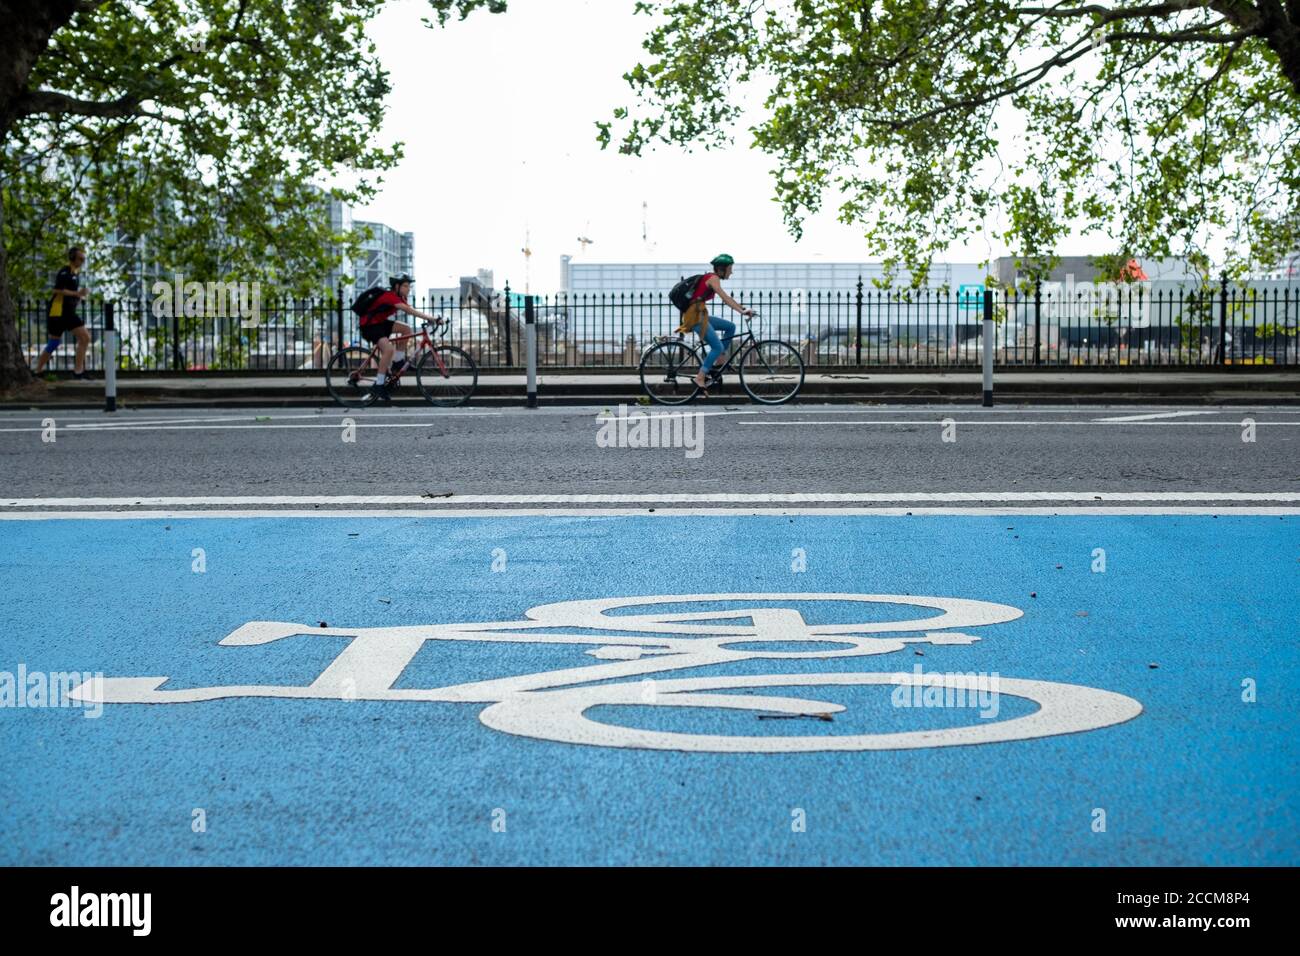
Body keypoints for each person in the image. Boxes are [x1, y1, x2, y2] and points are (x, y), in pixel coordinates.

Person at [675, 254, 753, 392]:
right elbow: (725, 298)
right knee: (716, 347)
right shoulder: (713, 278)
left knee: (730, 327)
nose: (731, 272)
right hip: (695, 317)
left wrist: (743, 309)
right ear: (722, 269)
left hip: (701, 314)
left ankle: (719, 361)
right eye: (730, 268)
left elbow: (727, 298)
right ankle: (700, 377)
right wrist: (742, 311)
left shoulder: (711, 278)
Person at [357, 273, 440, 403]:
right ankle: (379, 385)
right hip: (369, 325)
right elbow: (409, 311)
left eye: (409, 286)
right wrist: (432, 318)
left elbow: (409, 308)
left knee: (406, 329)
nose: (408, 289)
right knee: (388, 350)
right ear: (397, 286)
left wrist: (430, 319)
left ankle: (398, 362)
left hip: (380, 323)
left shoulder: (400, 297)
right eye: (406, 286)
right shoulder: (390, 296)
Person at [35, 246, 91, 379]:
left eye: (84, 259)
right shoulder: (65, 272)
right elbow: (57, 290)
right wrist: (77, 293)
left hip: (64, 312)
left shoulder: (75, 274)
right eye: (80, 259)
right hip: (60, 312)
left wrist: (78, 296)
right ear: (73, 258)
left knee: (54, 343)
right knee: (85, 338)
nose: (82, 262)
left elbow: (69, 294)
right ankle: (78, 372)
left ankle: (37, 372)